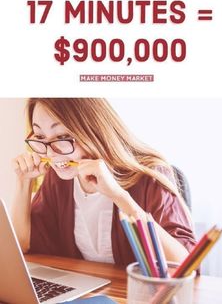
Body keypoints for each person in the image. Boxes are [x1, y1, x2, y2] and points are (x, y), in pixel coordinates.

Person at [12, 98, 196, 265]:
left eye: (62, 137)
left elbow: (184, 265)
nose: (50, 153)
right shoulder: (59, 179)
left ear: (94, 131)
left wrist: (118, 196)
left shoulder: (150, 177)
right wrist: (24, 183)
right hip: (85, 294)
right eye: (40, 137)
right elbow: (22, 244)